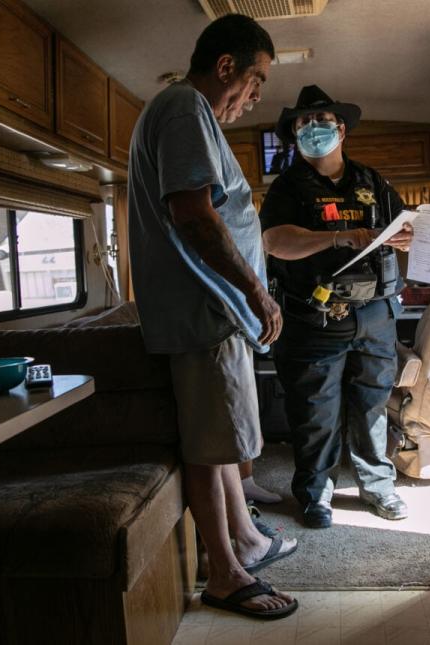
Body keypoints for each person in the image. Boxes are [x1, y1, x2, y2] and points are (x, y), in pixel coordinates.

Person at [127, 14, 297, 619]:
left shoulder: (187, 114)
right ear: (226, 65)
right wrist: (257, 291)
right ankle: (223, 574)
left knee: (222, 436)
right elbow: (194, 213)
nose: (255, 98)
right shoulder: (184, 108)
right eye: (255, 82)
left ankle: (244, 542)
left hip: (210, 311)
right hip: (205, 307)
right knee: (209, 443)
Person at [259, 85, 413, 529]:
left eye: (320, 121)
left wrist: (408, 236)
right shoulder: (287, 187)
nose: (312, 129)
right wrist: (338, 237)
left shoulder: (373, 182)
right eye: (302, 124)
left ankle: (379, 488)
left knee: (372, 407)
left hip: (376, 314)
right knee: (314, 412)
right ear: (294, 135)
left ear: (341, 129)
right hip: (313, 318)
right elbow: (274, 242)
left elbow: (403, 230)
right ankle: (314, 494)